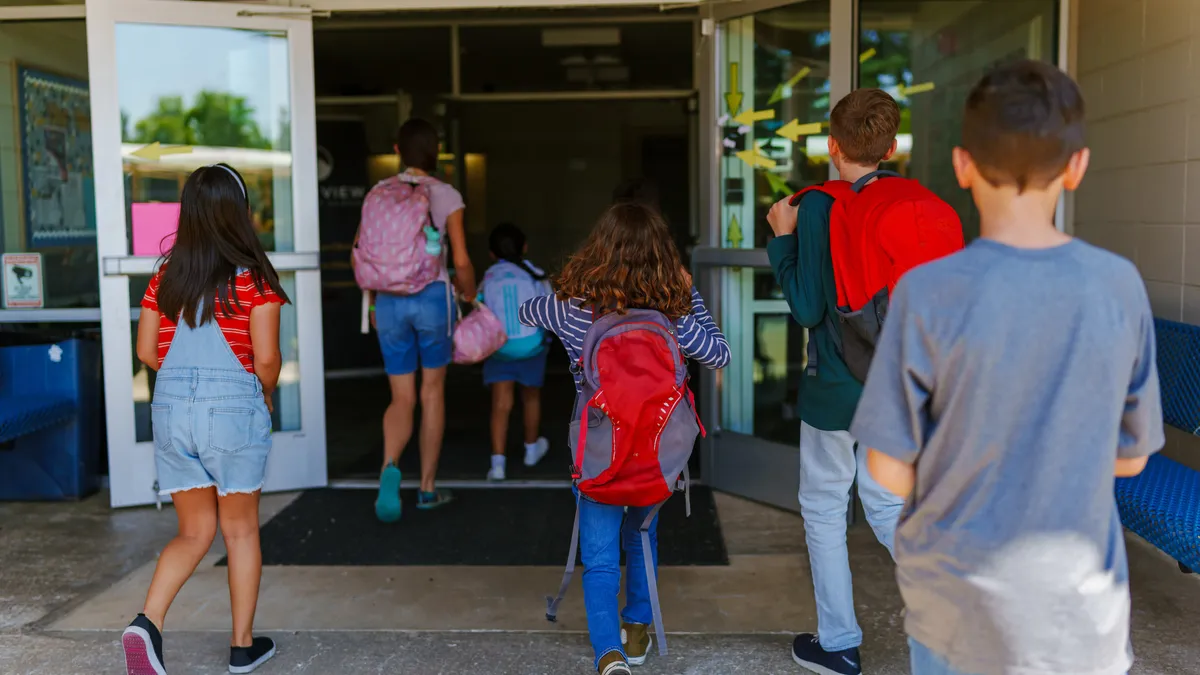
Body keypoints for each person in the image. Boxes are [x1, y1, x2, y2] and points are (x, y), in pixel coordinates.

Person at [855, 60, 1163, 675]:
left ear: (962, 165)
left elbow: (886, 469)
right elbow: (1131, 456)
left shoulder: (927, 292)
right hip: (1079, 609)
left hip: (955, 602)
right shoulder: (1117, 285)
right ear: (1077, 167)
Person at [519, 202, 730, 675]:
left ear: (599, 250)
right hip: (656, 452)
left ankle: (607, 654)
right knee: (641, 538)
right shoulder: (672, 314)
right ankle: (636, 634)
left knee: (598, 554)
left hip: (597, 452)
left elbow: (524, 310)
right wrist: (690, 295)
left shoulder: (571, 309)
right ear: (662, 255)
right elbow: (720, 354)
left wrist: (565, 294)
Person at [765, 88, 907, 675]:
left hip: (835, 385)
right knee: (888, 503)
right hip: (894, 384)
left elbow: (805, 306)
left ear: (833, 147)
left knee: (825, 506)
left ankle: (839, 644)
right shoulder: (909, 201)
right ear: (891, 146)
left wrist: (780, 238)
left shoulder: (818, 207)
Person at [124, 163, 286, 675]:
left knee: (193, 531)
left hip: (172, 410)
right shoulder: (254, 282)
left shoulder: (166, 277)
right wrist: (262, 395)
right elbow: (265, 360)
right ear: (239, 213)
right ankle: (242, 648)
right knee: (239, 532)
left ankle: (146, 624)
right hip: (233, 410)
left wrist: (186, 385)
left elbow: (147, 351)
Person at [364, 118, 477, 521]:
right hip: (432, 298)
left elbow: (364, 252)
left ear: (397, 150)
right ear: (436, 152)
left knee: (401, 396)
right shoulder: (445, 194)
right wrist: (470, 293)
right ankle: (427, 488)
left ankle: (389, 467)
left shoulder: (378, 192)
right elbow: (460, 259)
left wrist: (374, 302)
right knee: (431, 391)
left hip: (389, 301)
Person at [479, 222, 552, 480]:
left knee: (501, 404)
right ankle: (531, 449)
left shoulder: (489, 276)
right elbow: (548, 310)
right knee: (531, 397)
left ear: (491, 254)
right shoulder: (535, 273)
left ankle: (497, 464)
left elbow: (480, 309)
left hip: (499, 347)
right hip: (531, 346)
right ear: (525, 247)